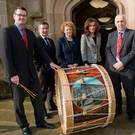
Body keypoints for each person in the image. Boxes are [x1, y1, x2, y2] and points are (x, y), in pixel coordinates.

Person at [0, 7, 60, 135]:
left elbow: (40, 51)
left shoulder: (30, 33)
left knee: (38, 99)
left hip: (32, 74)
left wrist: (51, 62)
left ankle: (40, 121)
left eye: (24, 15)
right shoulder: (7, 31)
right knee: (19, 102)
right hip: (17, 75)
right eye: (19, 15)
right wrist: (12, 74)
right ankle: (24, 125)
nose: (22, 17)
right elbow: (5, 55)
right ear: (14, 16)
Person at [105, 14, 135, 122]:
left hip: (128, 69)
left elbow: (133, 51)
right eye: (117, 22)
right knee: (116, 91)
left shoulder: (132, 33)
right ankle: (118, 110)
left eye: (122, 21)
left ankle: (131, 113)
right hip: (113, 69)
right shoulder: (111, 35)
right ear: (115, 23)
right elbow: (107, 51)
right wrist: (114, 63)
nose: (120, 23)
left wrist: (122, 63)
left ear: (125, 22)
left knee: (129, 93)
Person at [36, 21, 57, 118]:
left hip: (52, 70)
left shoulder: (51, 41)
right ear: (39, 30)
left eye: (46, 28)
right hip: (42, 71)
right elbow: (34, 57)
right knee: (42, 91)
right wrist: (39, 68)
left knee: (51, 89)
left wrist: (57, 66)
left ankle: (51, 105)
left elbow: (53, 56)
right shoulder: (36, 41)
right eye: (42, 28)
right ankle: (42, 111)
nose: (45, 30)